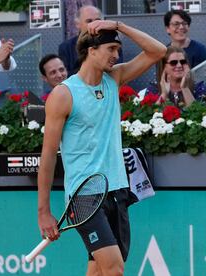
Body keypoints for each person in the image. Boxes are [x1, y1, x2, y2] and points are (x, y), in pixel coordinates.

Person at [37, 20, 166, 275]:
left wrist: (119, 25)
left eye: (118, 50)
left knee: (98, 271)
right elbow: (49, 155)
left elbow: (158, 51)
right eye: (111, 49)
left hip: (117, 188)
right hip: (84, 196)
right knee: (114, 269)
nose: (116, 55)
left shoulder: (113, 78)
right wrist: (44, 212)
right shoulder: (64, 95)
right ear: (91, 50)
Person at [58, 5, 123, 76]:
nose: (94, 24)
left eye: (97, 20)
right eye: (89, 21)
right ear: (77, 24)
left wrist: (118, 26)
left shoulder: (113, 44)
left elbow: (117, 71)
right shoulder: (66, 47)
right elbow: (64, 75)